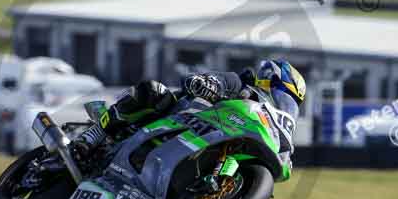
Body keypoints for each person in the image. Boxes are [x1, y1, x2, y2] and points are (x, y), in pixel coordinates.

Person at [71, 59, 306, 164]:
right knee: (153, 91)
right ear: (270, 81)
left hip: (200, 143)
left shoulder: (271, 127)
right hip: (178, 119)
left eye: (291, 103)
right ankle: (94, 135)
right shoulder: (240, 85)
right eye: (283, 95)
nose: (284, 104)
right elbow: (204, 79)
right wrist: (207, 83)